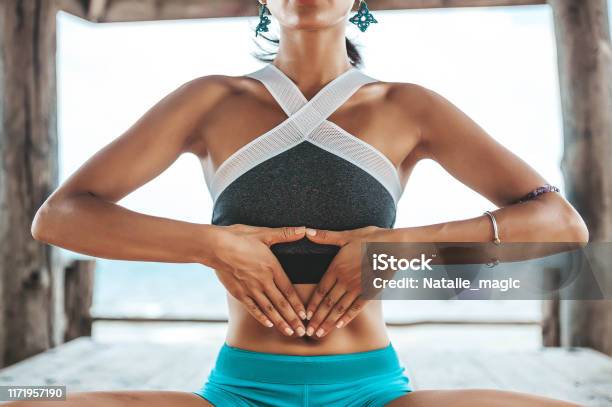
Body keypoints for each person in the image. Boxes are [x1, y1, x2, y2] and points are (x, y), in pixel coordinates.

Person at [19, 1, 588, 406]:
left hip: (374, 391)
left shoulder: (408, 107)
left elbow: (562, 225)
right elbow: (60, 217)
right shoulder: (210, 101)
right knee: (26, 400)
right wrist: (211, 246)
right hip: (240, 390)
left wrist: (403, 248)